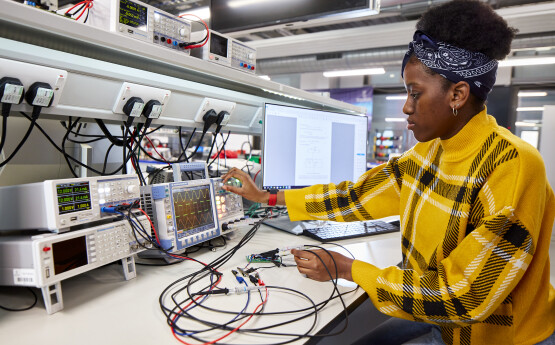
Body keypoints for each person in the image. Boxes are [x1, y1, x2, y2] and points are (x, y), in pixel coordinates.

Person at [221, 1, 555, 344]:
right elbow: (356, 196)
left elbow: (464, 298)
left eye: (415, 93)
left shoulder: (512, 165)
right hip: (439, 316)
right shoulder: (429, 152)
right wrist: (267, 197)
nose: (406, 106)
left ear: (457, 93)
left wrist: (348, 269)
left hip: (492, 336)